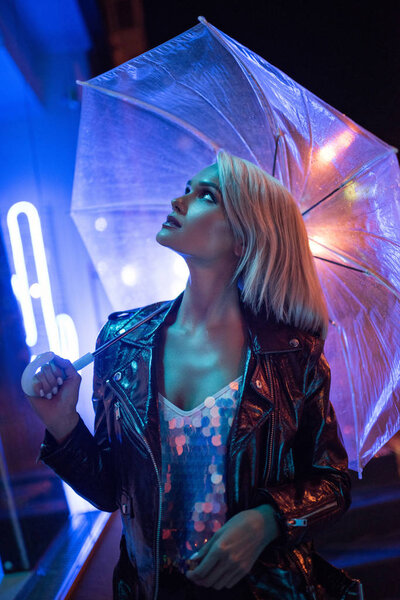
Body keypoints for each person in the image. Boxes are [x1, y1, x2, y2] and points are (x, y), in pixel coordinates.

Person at [28, 151, 362, 600]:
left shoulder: (291, 356)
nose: (179, 201)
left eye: (206, 196)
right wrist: (62, 423)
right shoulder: (122, 341)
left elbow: (333, 482)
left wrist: (268, 519)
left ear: (244, 238)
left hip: (267, 590)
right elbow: (113, 493)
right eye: (187, 189)